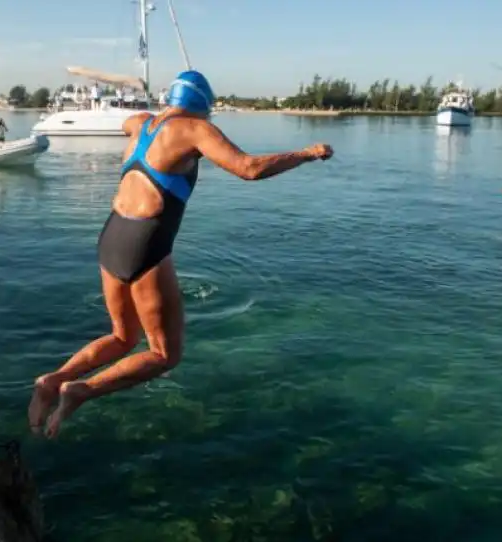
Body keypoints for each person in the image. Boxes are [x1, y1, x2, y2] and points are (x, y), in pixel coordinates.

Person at [28, 69, 334, 438]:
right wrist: (306, 153)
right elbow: (249, 169)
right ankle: (81, 391)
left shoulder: (141, 123)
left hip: (111, 236)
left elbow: (126, 120)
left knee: (123, 337)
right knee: (163, 354)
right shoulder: (193, 129)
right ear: (201, 108)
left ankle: (52, 380)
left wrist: (136, 92)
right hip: (145, 242)